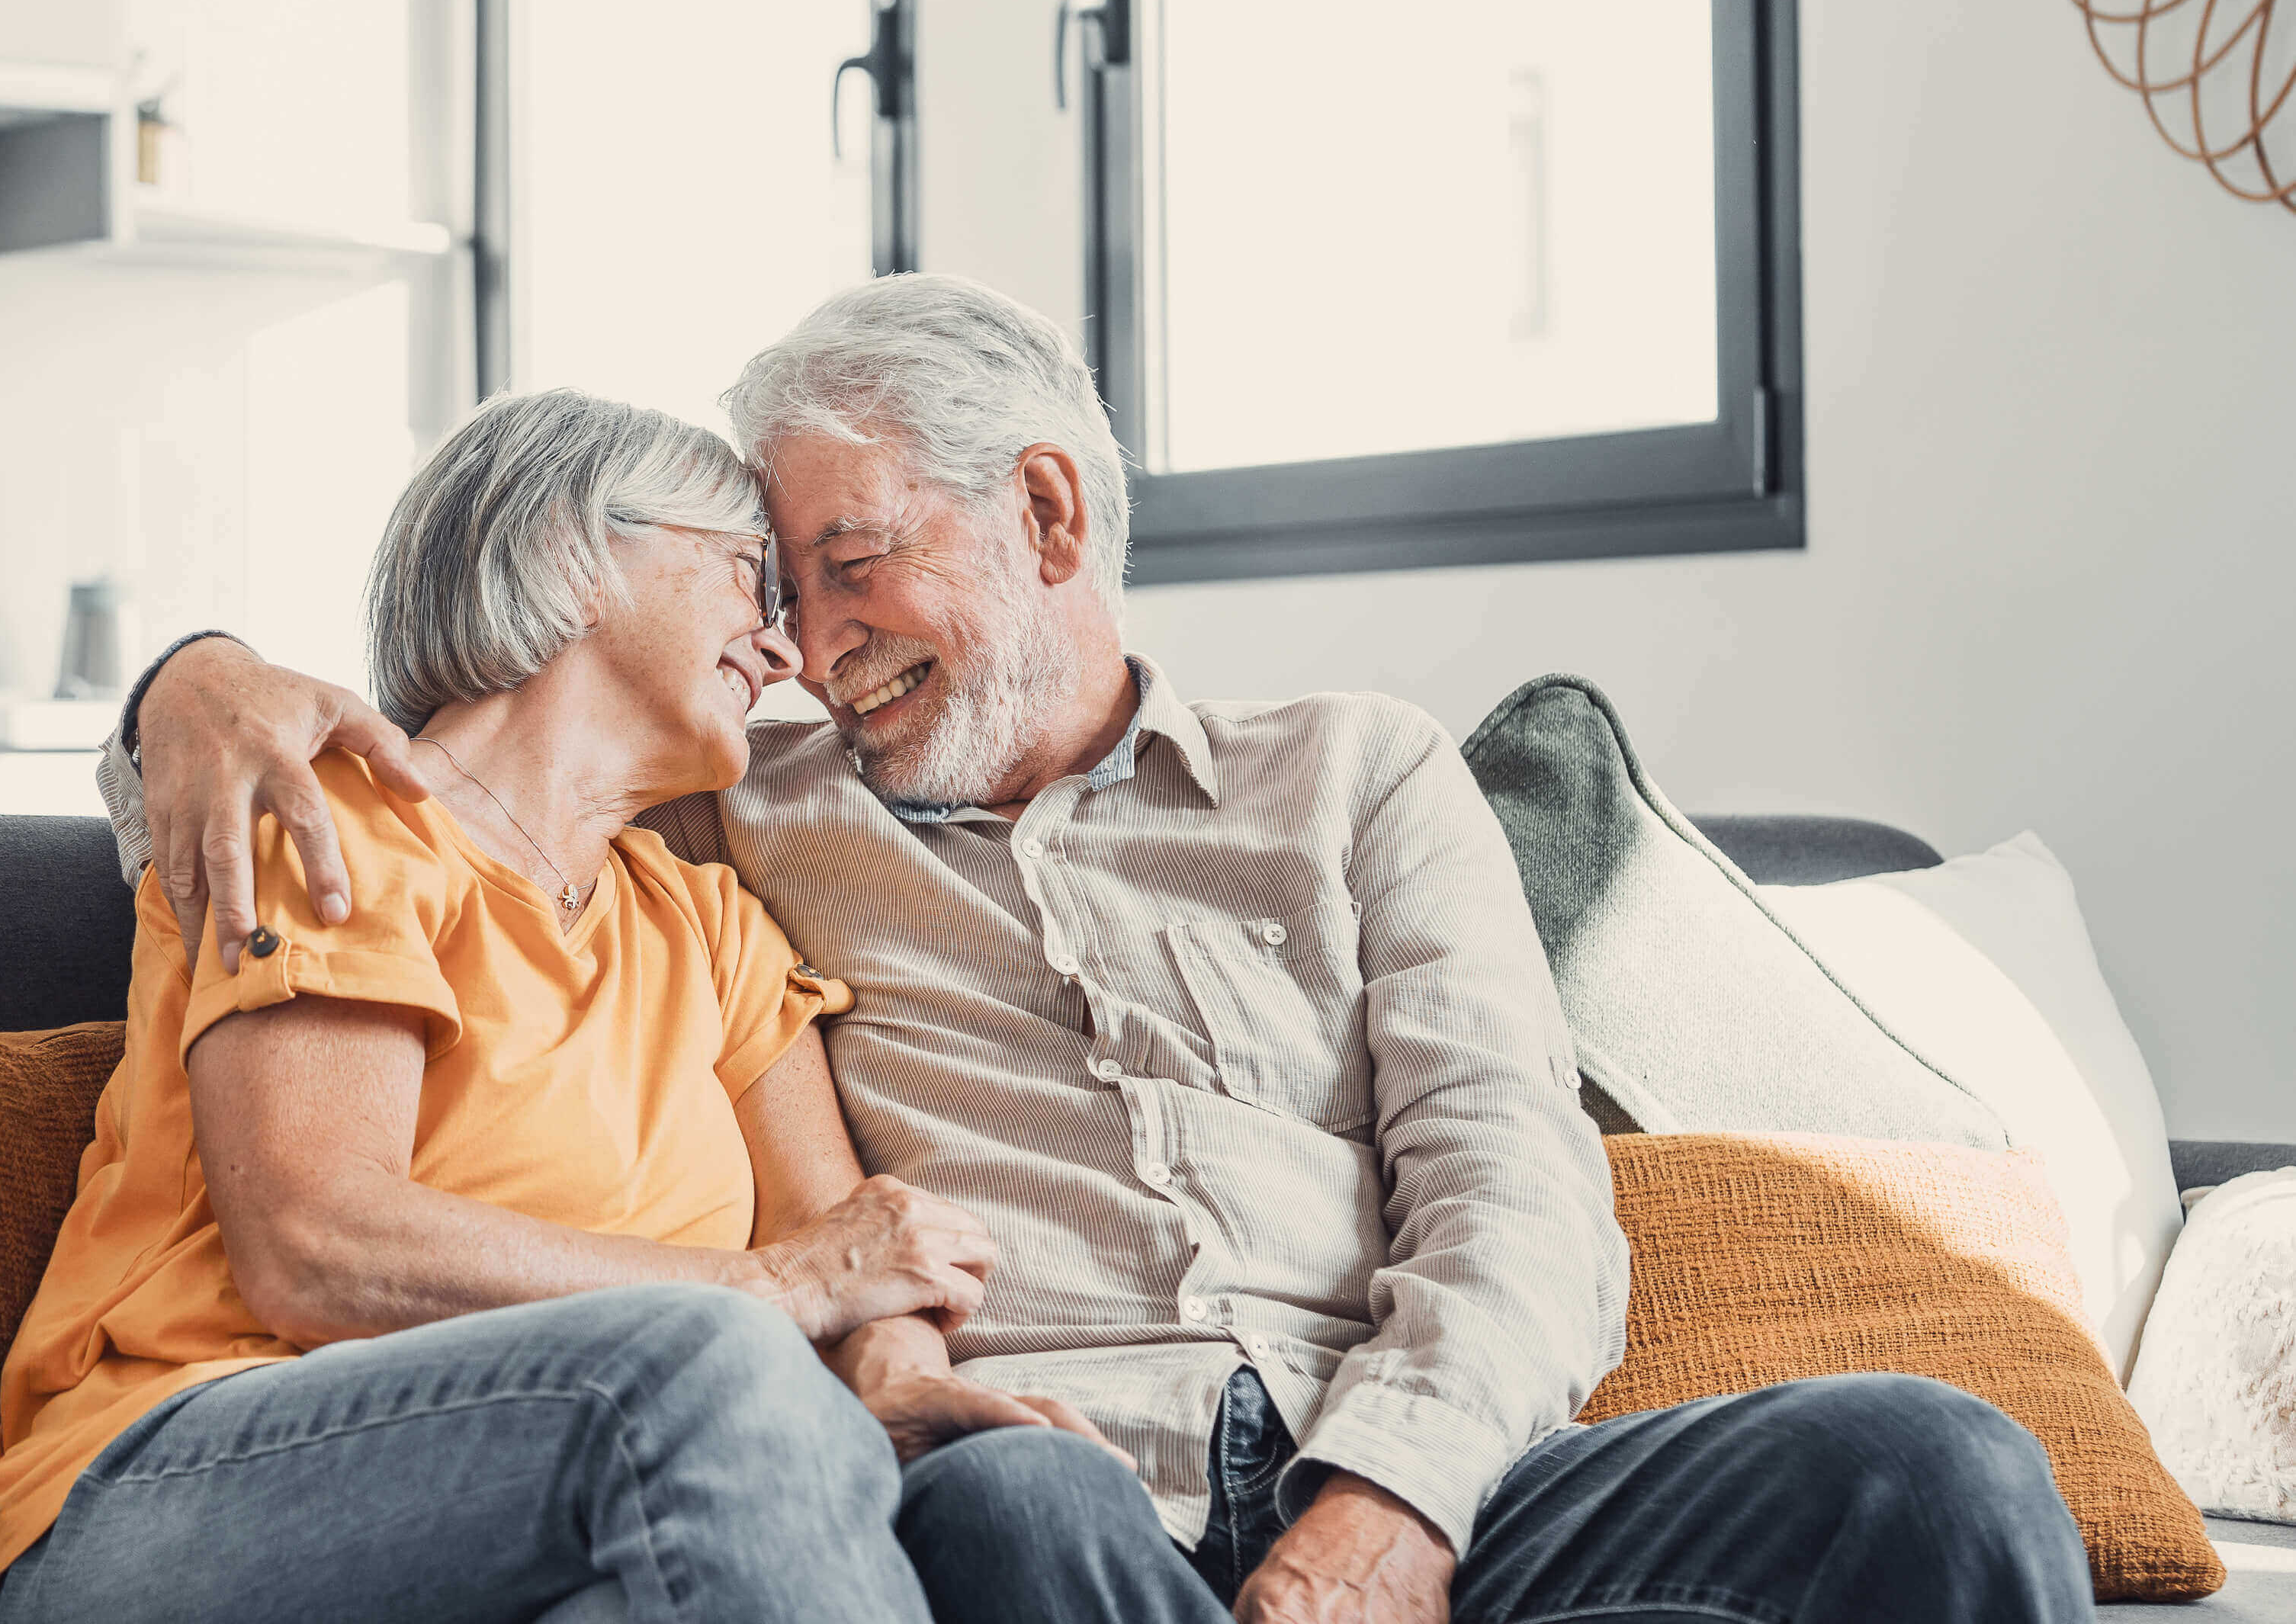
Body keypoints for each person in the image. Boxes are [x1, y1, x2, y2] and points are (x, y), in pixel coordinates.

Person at [107, 274, 2097, 1624]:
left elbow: (1522, 1198)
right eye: (776, 586)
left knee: (1928, 1465)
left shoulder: (1353, 780)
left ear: (1043, 509)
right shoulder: (743, 812)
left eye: (851, 564)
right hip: (1060, 1482)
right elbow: (460, 768)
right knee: (1015, 1511)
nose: (807, 639)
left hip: (1397, 1465)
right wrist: (184, 686)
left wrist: (1391, 1505)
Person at [0, 386, 1152, 1624]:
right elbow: (317, 1243)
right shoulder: (332, 819)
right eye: (751, 576)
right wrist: (771, 1294)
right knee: (718, 1369)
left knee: (1008, 1489)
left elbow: (841, 1237)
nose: (788, 652)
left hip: (550, 1521)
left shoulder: (707, 929)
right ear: (573, 556)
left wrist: (895, 1374)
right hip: (171, 1493)